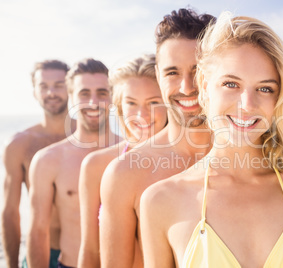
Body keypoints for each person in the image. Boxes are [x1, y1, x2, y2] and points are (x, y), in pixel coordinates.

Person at [140, 12, 283, 268]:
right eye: (231, 84)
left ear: (279, 98)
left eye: (265, 88)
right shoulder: (160, 200)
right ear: (205, 86)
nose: (247, 104)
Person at [99, 8, 215, 268]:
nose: (187, 87)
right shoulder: (124, 173)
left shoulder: (255, 161)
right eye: (172, 72)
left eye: (198, 71)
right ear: (159, 77)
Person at [27, 58, 120, 268]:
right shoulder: (48, 160)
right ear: (72, 97)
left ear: (113, 96)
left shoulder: (132, 153)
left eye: (102, 93)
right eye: (84, 93)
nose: (93, 102)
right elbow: (38, 231)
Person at [77, 54, 167, 268]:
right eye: (131, 103)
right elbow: (89, 249)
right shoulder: (96, 166)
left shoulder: (189, 163)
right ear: (119, 106)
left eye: (153, 102)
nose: (141, 115)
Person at [1, 60, 76, 268]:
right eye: (43, 86)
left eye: (59, 85)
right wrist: (11, 264)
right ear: (34, 91)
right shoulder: (19, 145)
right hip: (41, 251)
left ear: (71, 88)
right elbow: (10, 213)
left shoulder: (91, 139)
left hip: (85, 252)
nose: (51, 92)